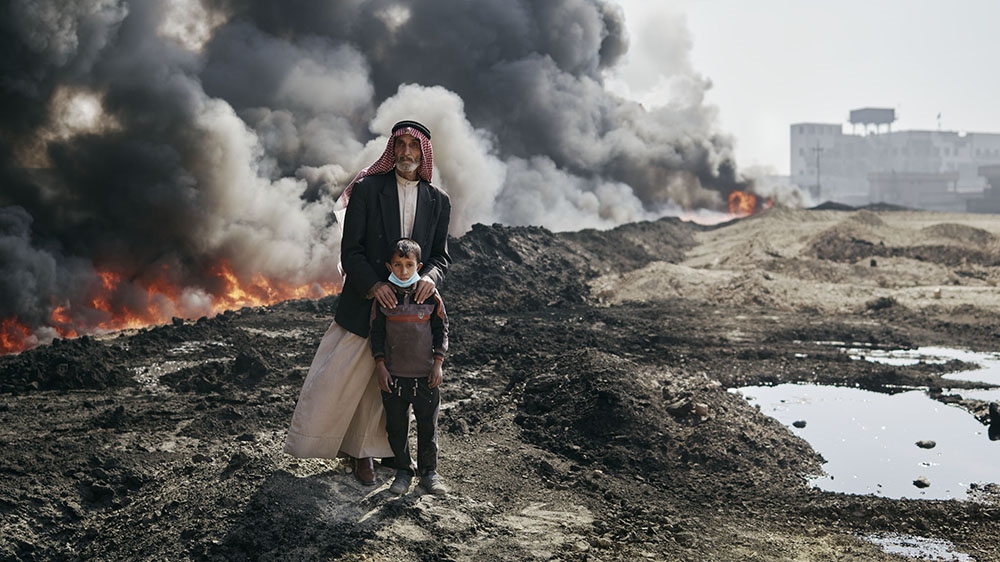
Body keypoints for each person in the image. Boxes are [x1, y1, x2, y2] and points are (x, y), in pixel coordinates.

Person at [284, 120, 452, 487]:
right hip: (366, 303)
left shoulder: (438, 200)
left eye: (413, 145)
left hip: (412, 315)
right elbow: (352, 250)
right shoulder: (367, 189)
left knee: (395, 384)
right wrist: (375, 286)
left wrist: (428, 280)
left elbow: (440, 257)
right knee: (346, 377)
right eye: (400, 144)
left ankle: (384, 452)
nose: (406, 152)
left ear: (423, 151)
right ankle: (354, 453)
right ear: (391, 149)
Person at [370, 238, 449, 495]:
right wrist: (380, 366)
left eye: (409, 265)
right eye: (397, 265)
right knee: (396, 427)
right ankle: (403, 470)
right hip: (394, 377)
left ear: (419, 265)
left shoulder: (429, 296)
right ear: (389, 266)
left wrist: (438, 364)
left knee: (428, 426)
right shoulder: (384, 298)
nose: (403, 271)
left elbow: (441, 331)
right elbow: (377, 335)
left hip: (425, 377)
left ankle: (429, 473)